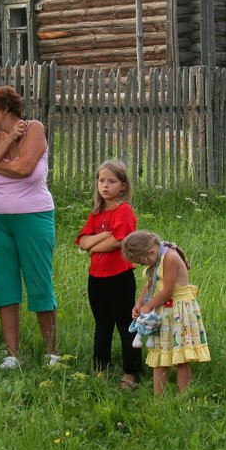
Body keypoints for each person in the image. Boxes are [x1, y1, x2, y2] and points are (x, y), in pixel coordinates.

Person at [0, 85, 58, 369]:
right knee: (5, 285)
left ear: (5, 108)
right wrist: (5, 147)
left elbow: (24, 168)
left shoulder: (33, 128)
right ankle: (12, 354)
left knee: (39, 282)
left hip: (34, 216)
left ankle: (52, 352)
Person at [76, 160, 144, 390]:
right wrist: (100, 239)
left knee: (126, 325)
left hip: (120, 277)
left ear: (123, 186)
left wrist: (94, 244)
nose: (105, 185)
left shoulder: (123, 210)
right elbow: (83, 241)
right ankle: (100, 369)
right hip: (96, 277)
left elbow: (119, 240)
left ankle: (131, 373)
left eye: (111, 181)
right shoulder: (96, 213)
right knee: (102, 325)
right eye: (101, 180)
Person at [121, 230, 210, 394]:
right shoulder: (155, 257)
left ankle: (184, 397)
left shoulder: (169, 257)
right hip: (163, 309)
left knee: (181, 357)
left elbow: (168, 290)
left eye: (142, 262)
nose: (143, 265)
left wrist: (149, 307)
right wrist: (139, 303)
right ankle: (158, 399)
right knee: (161, 354)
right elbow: (150, 284)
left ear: (151, 252)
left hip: (178, 311)